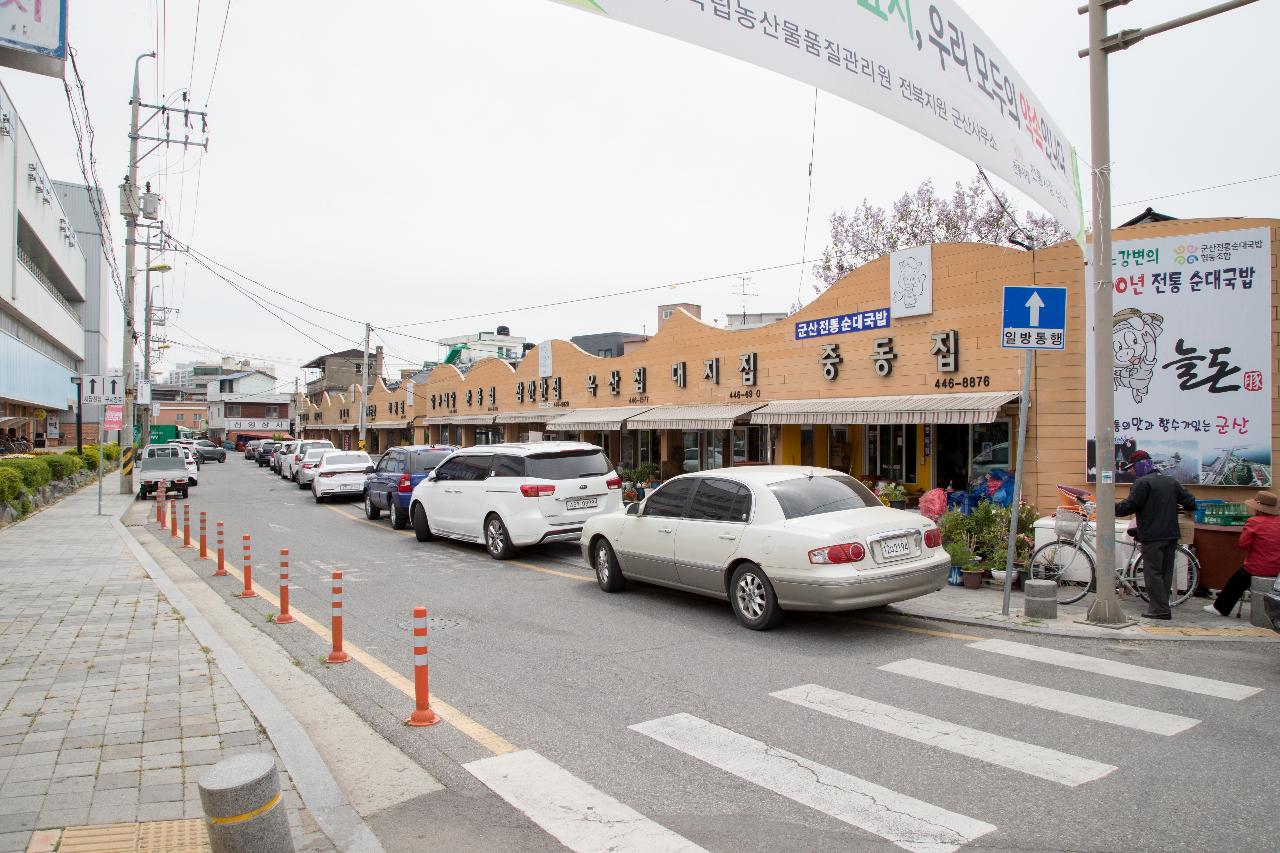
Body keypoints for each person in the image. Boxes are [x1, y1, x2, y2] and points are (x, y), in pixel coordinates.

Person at [1114, 449, 1197, 620]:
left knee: (1152, 573)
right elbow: (1190, 502)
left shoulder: (1142, 483)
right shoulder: (1170, 481)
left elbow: (1128, 507)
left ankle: (1159, 610)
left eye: (1132, 468)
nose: (1131, 471)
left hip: (1152, 536)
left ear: (1140, 466)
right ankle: (1162, 607)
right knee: (1165, 572)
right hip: (1171, 535)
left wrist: (1109, 505)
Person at [1203, 491, 1280, 617]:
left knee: (1236, 581)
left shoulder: (1254, 522)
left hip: (1258, 568)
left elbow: (1243, 544)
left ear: (1258, 508)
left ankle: (1220, 608)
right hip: (1278, 570)